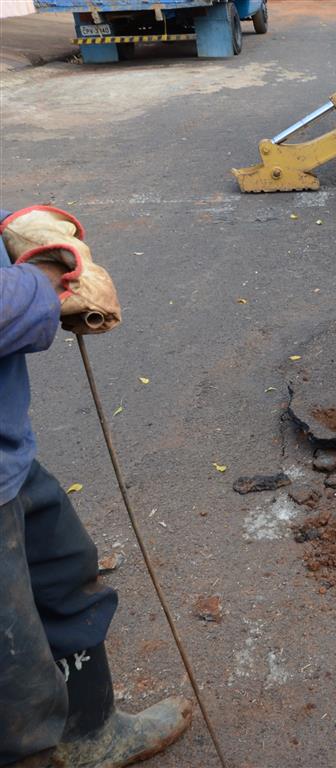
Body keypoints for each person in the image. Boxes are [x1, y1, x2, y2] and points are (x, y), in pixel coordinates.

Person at [0, 206, 192, 767]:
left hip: (10, 459)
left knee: (62, 569)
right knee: (12, 658)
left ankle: (89, 734)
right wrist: (43, 279)